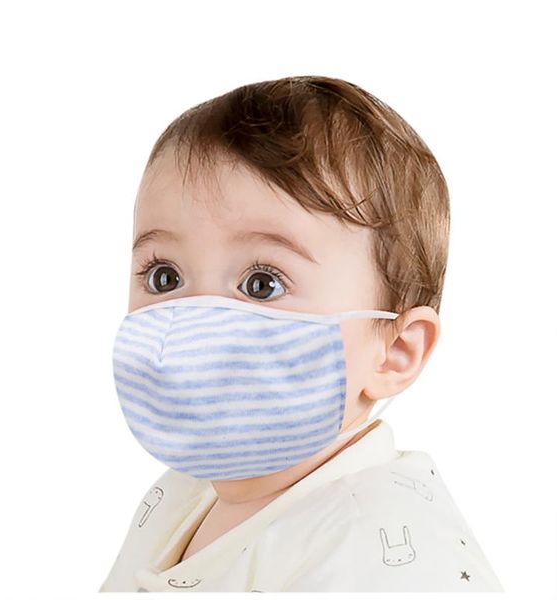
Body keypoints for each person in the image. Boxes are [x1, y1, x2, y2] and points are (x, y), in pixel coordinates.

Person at [99, 75, 504, 592]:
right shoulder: (185, 490)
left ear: (395, 350)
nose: (194, 317)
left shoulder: (385, 553)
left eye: (262, 284)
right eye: (164, 277)